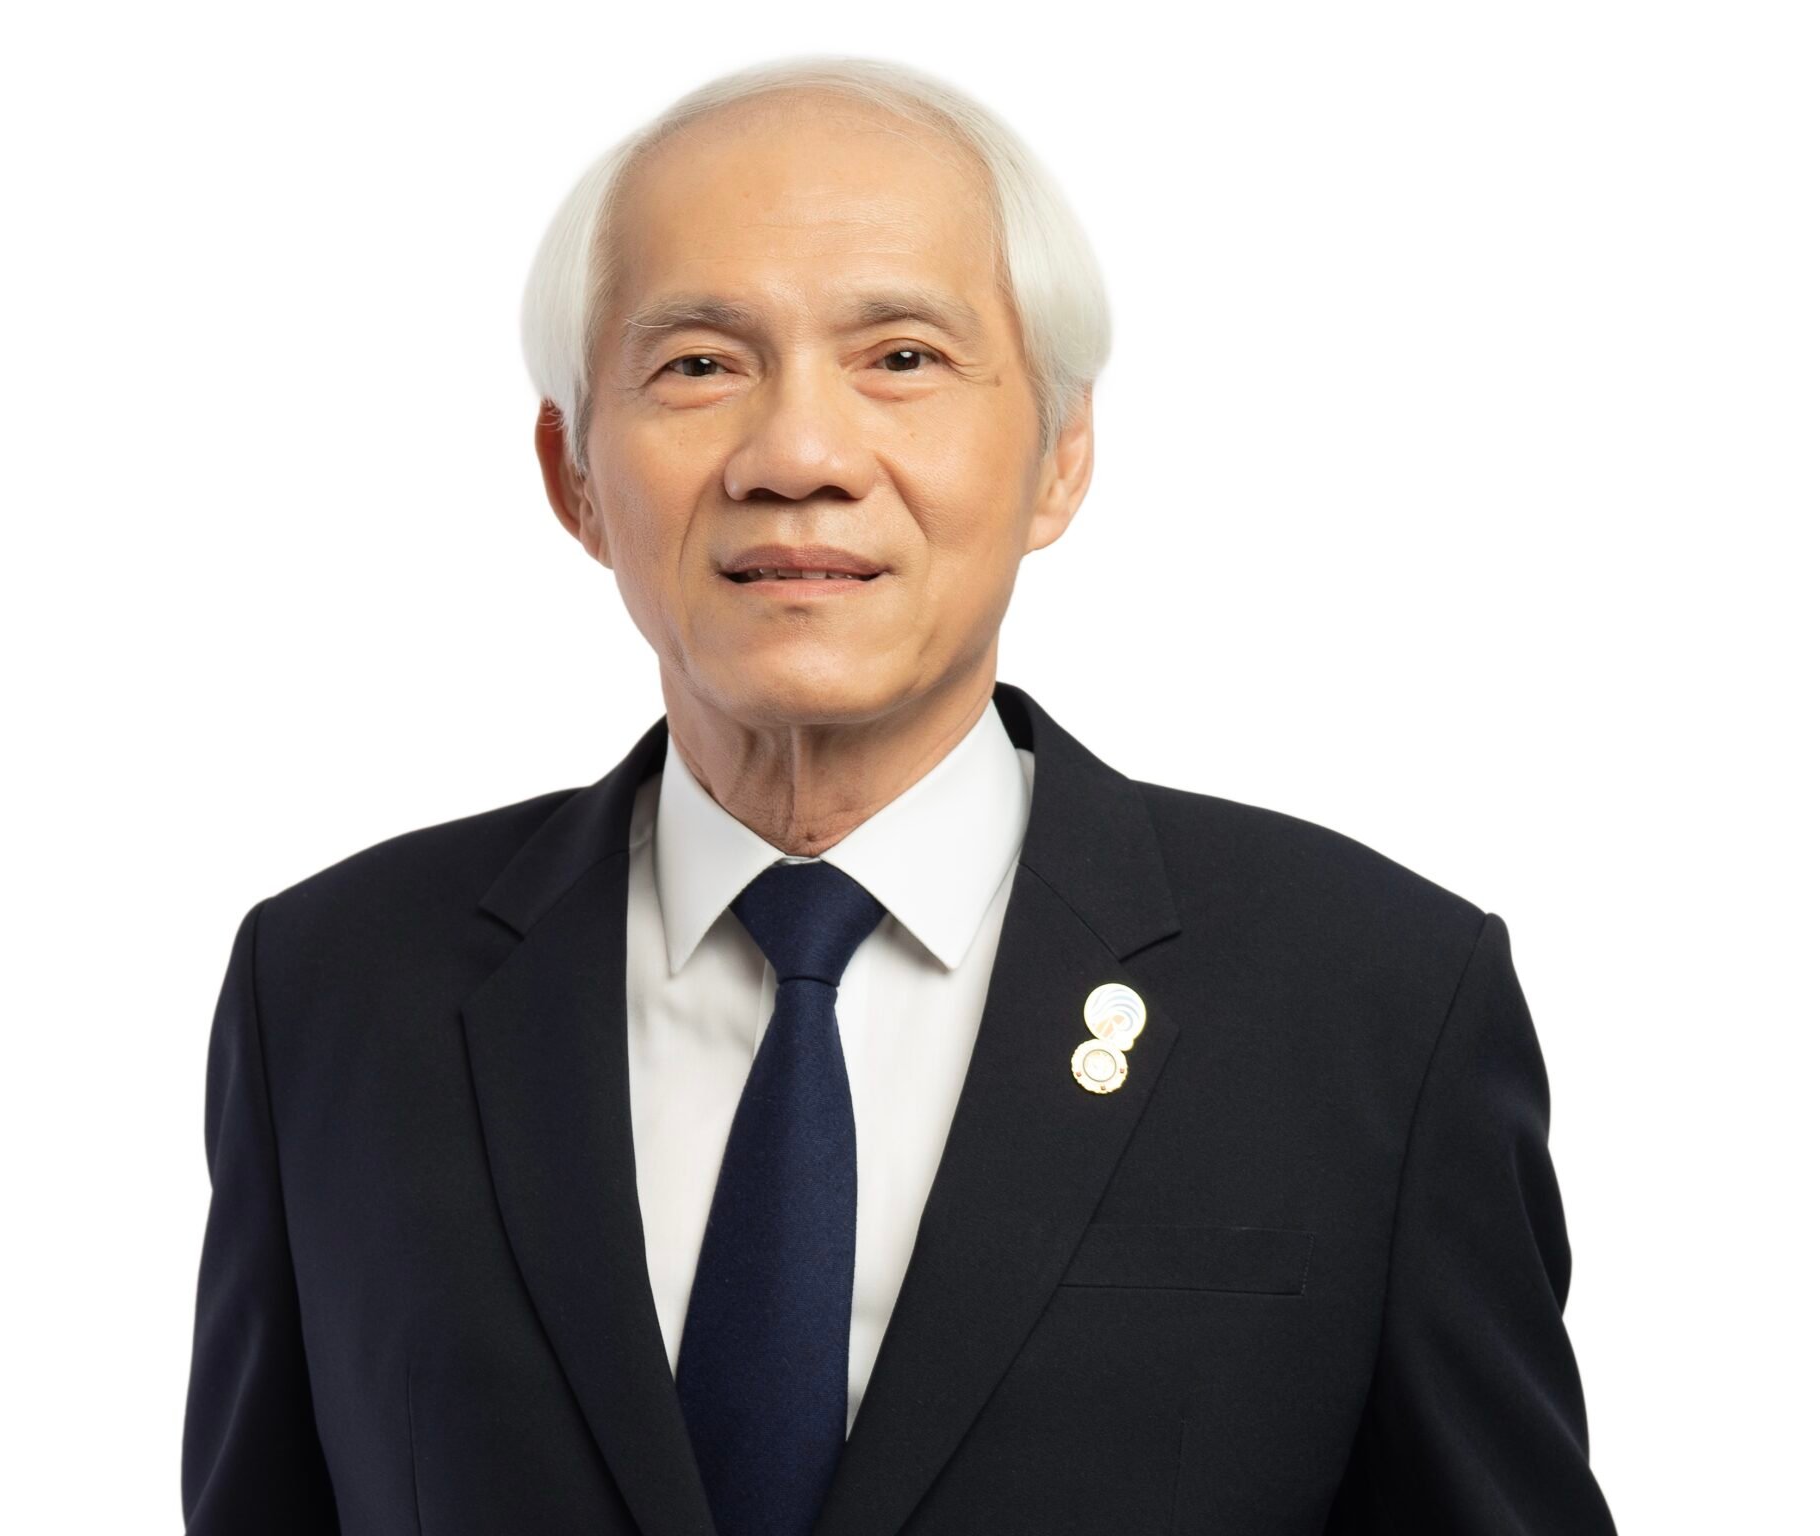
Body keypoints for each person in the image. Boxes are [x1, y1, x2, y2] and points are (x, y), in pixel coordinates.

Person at [181, 54, 1619, 1536]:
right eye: (699, 365)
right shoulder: (336, 995)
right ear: (575, 477)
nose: (799, 455)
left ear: (1059, 455)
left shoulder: (1377, 1003)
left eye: (904, 358)